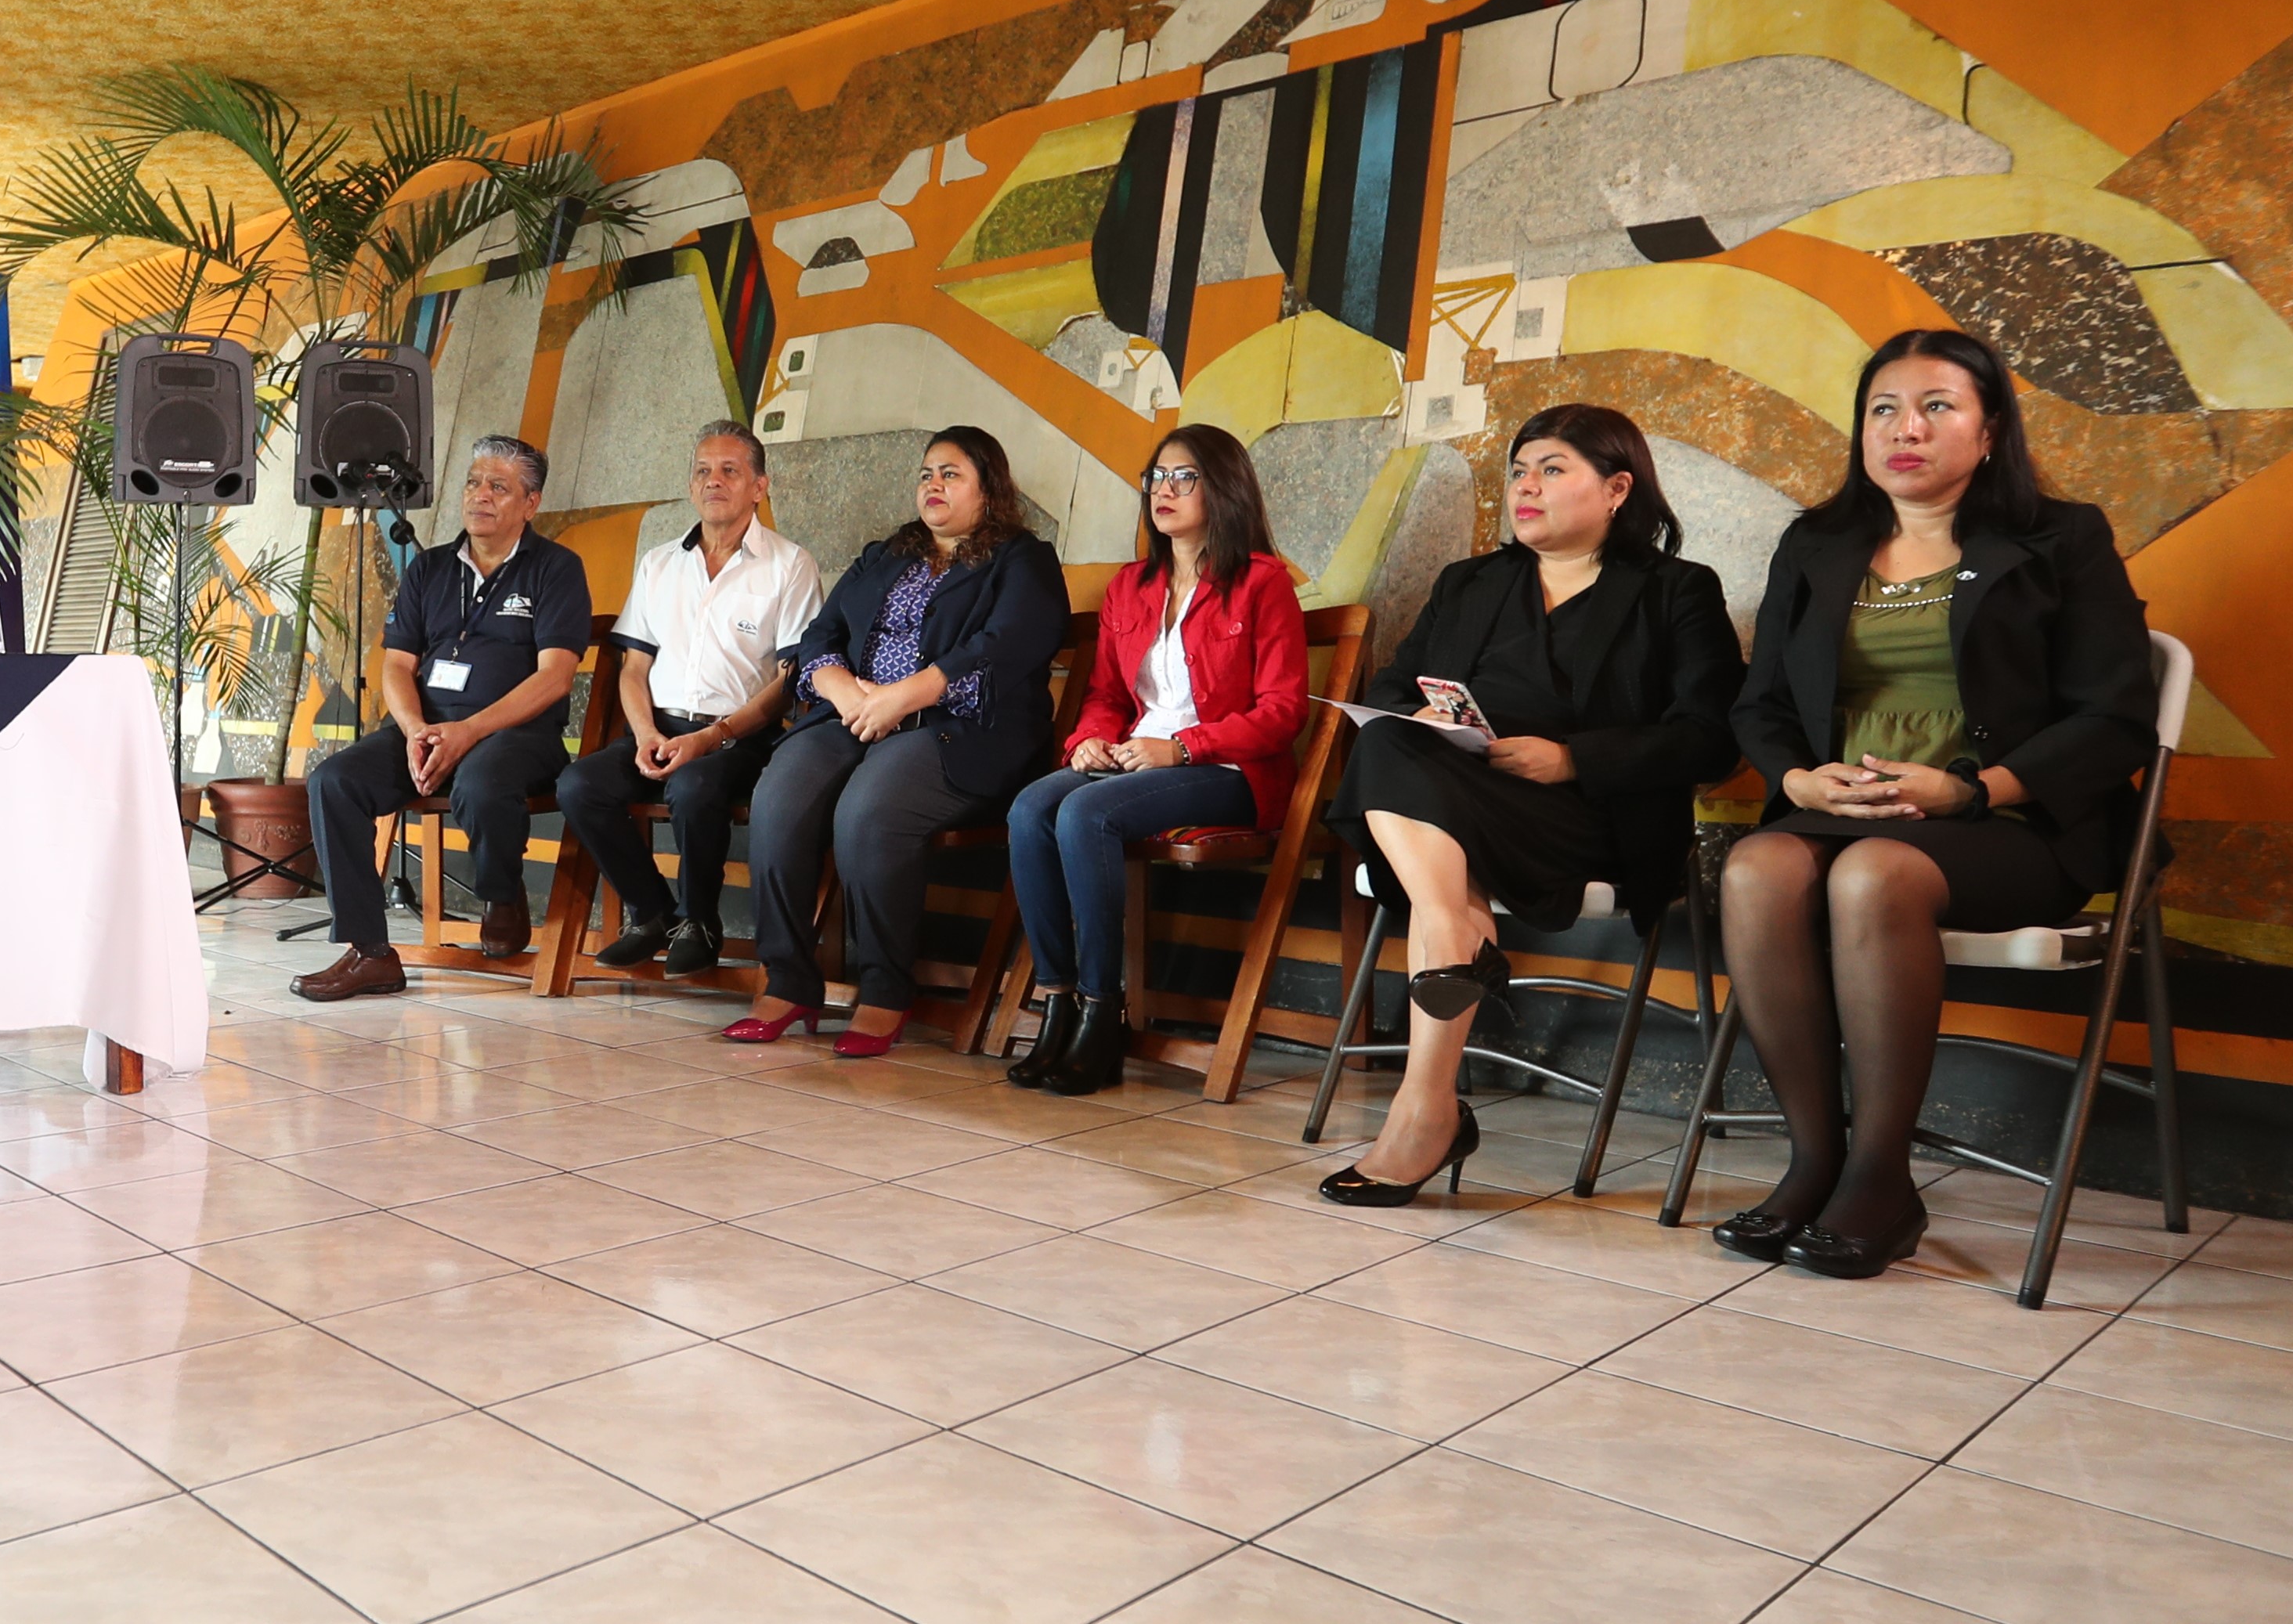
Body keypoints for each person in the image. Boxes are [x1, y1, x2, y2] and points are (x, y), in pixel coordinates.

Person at [1713, 329, 2158, 1278]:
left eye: (1936, 406)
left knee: (1874, 878)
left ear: (1990, 430)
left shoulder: (2060, 539)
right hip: (1840, 809)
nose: (1903, 428)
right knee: (1754, 867)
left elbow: (2117, 718)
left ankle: (1881, 1178)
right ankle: (1815, 1157)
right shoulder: (1818, 544)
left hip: (2009, 821)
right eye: (1882, 410)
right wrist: (1795, 779)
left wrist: (1971, 788)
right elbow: (1761, 705)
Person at [1315, 403, 1740, 1207]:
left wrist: (1575, 758)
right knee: (1387, 738)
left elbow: (1711, 738)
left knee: (1402, 778)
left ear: (1618, 489)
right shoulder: (1469, 582)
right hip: (1456, 799)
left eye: (1552, 470)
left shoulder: (1675, 592)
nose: (1527, 487)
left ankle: (1435, 1053)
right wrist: (1429, 719)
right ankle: (1437, 1037)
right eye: (1518, 471)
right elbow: (1393, 690)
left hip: (1586, 818)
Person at [731, 426, 1067, 1058]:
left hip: (955, 729)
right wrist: (842, 691)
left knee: (868, 810)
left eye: (950, 473)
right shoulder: (883, 555)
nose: (932, 484)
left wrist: (899, 697)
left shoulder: (1022, 558)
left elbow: (1004, 646)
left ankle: (884, 990)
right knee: (778, 795)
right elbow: (818, 635)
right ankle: (787, 979)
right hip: (852, 716)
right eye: (925, 474)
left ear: (989, 490)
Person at [1003, 424, 1305, 1094]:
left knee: (1084, 813)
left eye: (1184, 477)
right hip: (1139, 760)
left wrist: (1184, 746)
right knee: (1030, 808)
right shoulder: (1131, 586)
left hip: (1229, 772)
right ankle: (1055, 1001)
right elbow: (1108, 694)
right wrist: (1085, 738)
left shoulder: (1261, 582)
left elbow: (1283, 712)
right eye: (1155, 478)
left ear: (1222, 486)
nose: (1163, 491)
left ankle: (1101, 1014)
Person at [291, 434, 591, 1001]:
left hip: (515, 734)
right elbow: (396, 664)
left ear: (530, 503)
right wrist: (412, 731)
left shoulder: (555, 569)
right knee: (334, 781)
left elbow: (554, 676)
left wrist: (469, 731)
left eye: (498, 486)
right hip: (422, 729)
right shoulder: (429, 568)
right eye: (474, 482)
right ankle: (370, 951)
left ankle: (500, 895)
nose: (479, 495)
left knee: (481, 782)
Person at [556, 420, 825, 976]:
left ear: (759, 486)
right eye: (703, 470)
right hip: (656, 728)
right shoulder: (659, 562)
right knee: (579, 785)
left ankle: (700, 920)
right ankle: (653, 912)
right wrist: (646, 733)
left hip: (740, 738)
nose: (714, 481)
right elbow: (634, 665)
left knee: (695, 784)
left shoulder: (789, 565)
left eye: (730, 470)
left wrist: (712, 736)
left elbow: (790, 680)